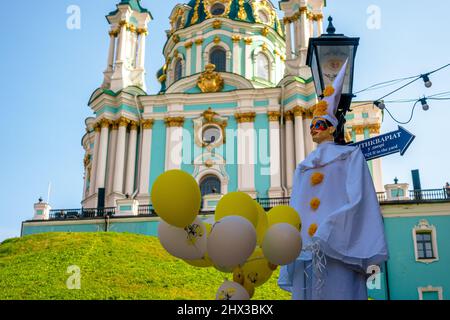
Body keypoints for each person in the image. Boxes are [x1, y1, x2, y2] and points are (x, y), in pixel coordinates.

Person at [278, 61, 389, 300]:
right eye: (312, 125)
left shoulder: (349, 156)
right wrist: (292, 242)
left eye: (319, 124)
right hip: (306, 252)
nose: (313, 129)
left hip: (339, 248)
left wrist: (328, 230)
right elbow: (296, 208)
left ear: (331, 128)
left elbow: (359, 200)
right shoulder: (303, 167)